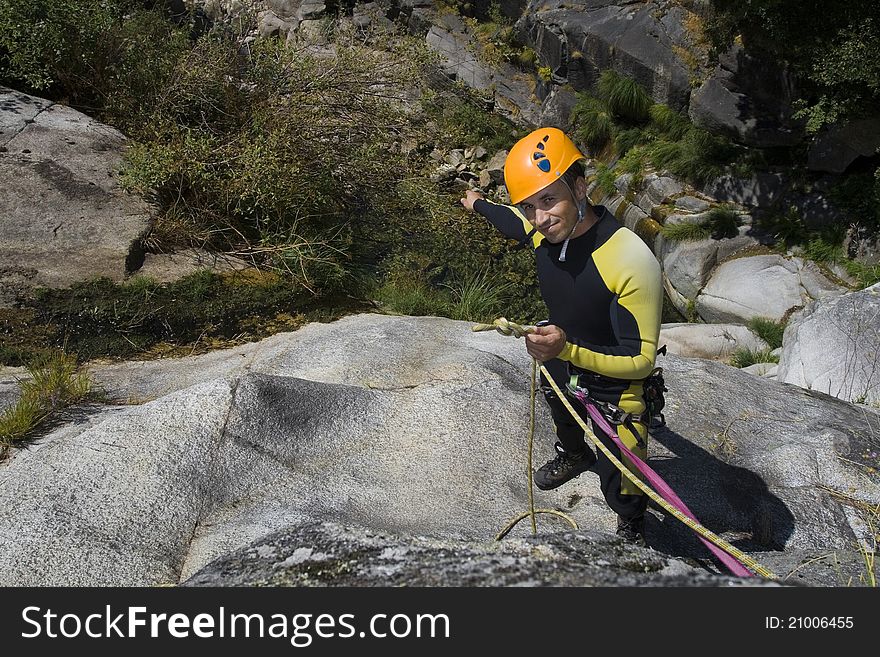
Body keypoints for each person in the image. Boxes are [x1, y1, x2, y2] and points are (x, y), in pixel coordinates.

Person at [460, 127, 662, 544]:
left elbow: (640, 361)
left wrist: (565, 348)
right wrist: (478, 204)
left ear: (581, 187)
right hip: (559, 359)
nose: (540, 217)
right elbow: (510, 220)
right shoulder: (542, 230)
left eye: (549, 200)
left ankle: (632, 524)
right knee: (562, 411)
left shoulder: (630, 257)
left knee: (622, 478)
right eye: (530, 206)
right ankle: (573, 453)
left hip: (615, 386)